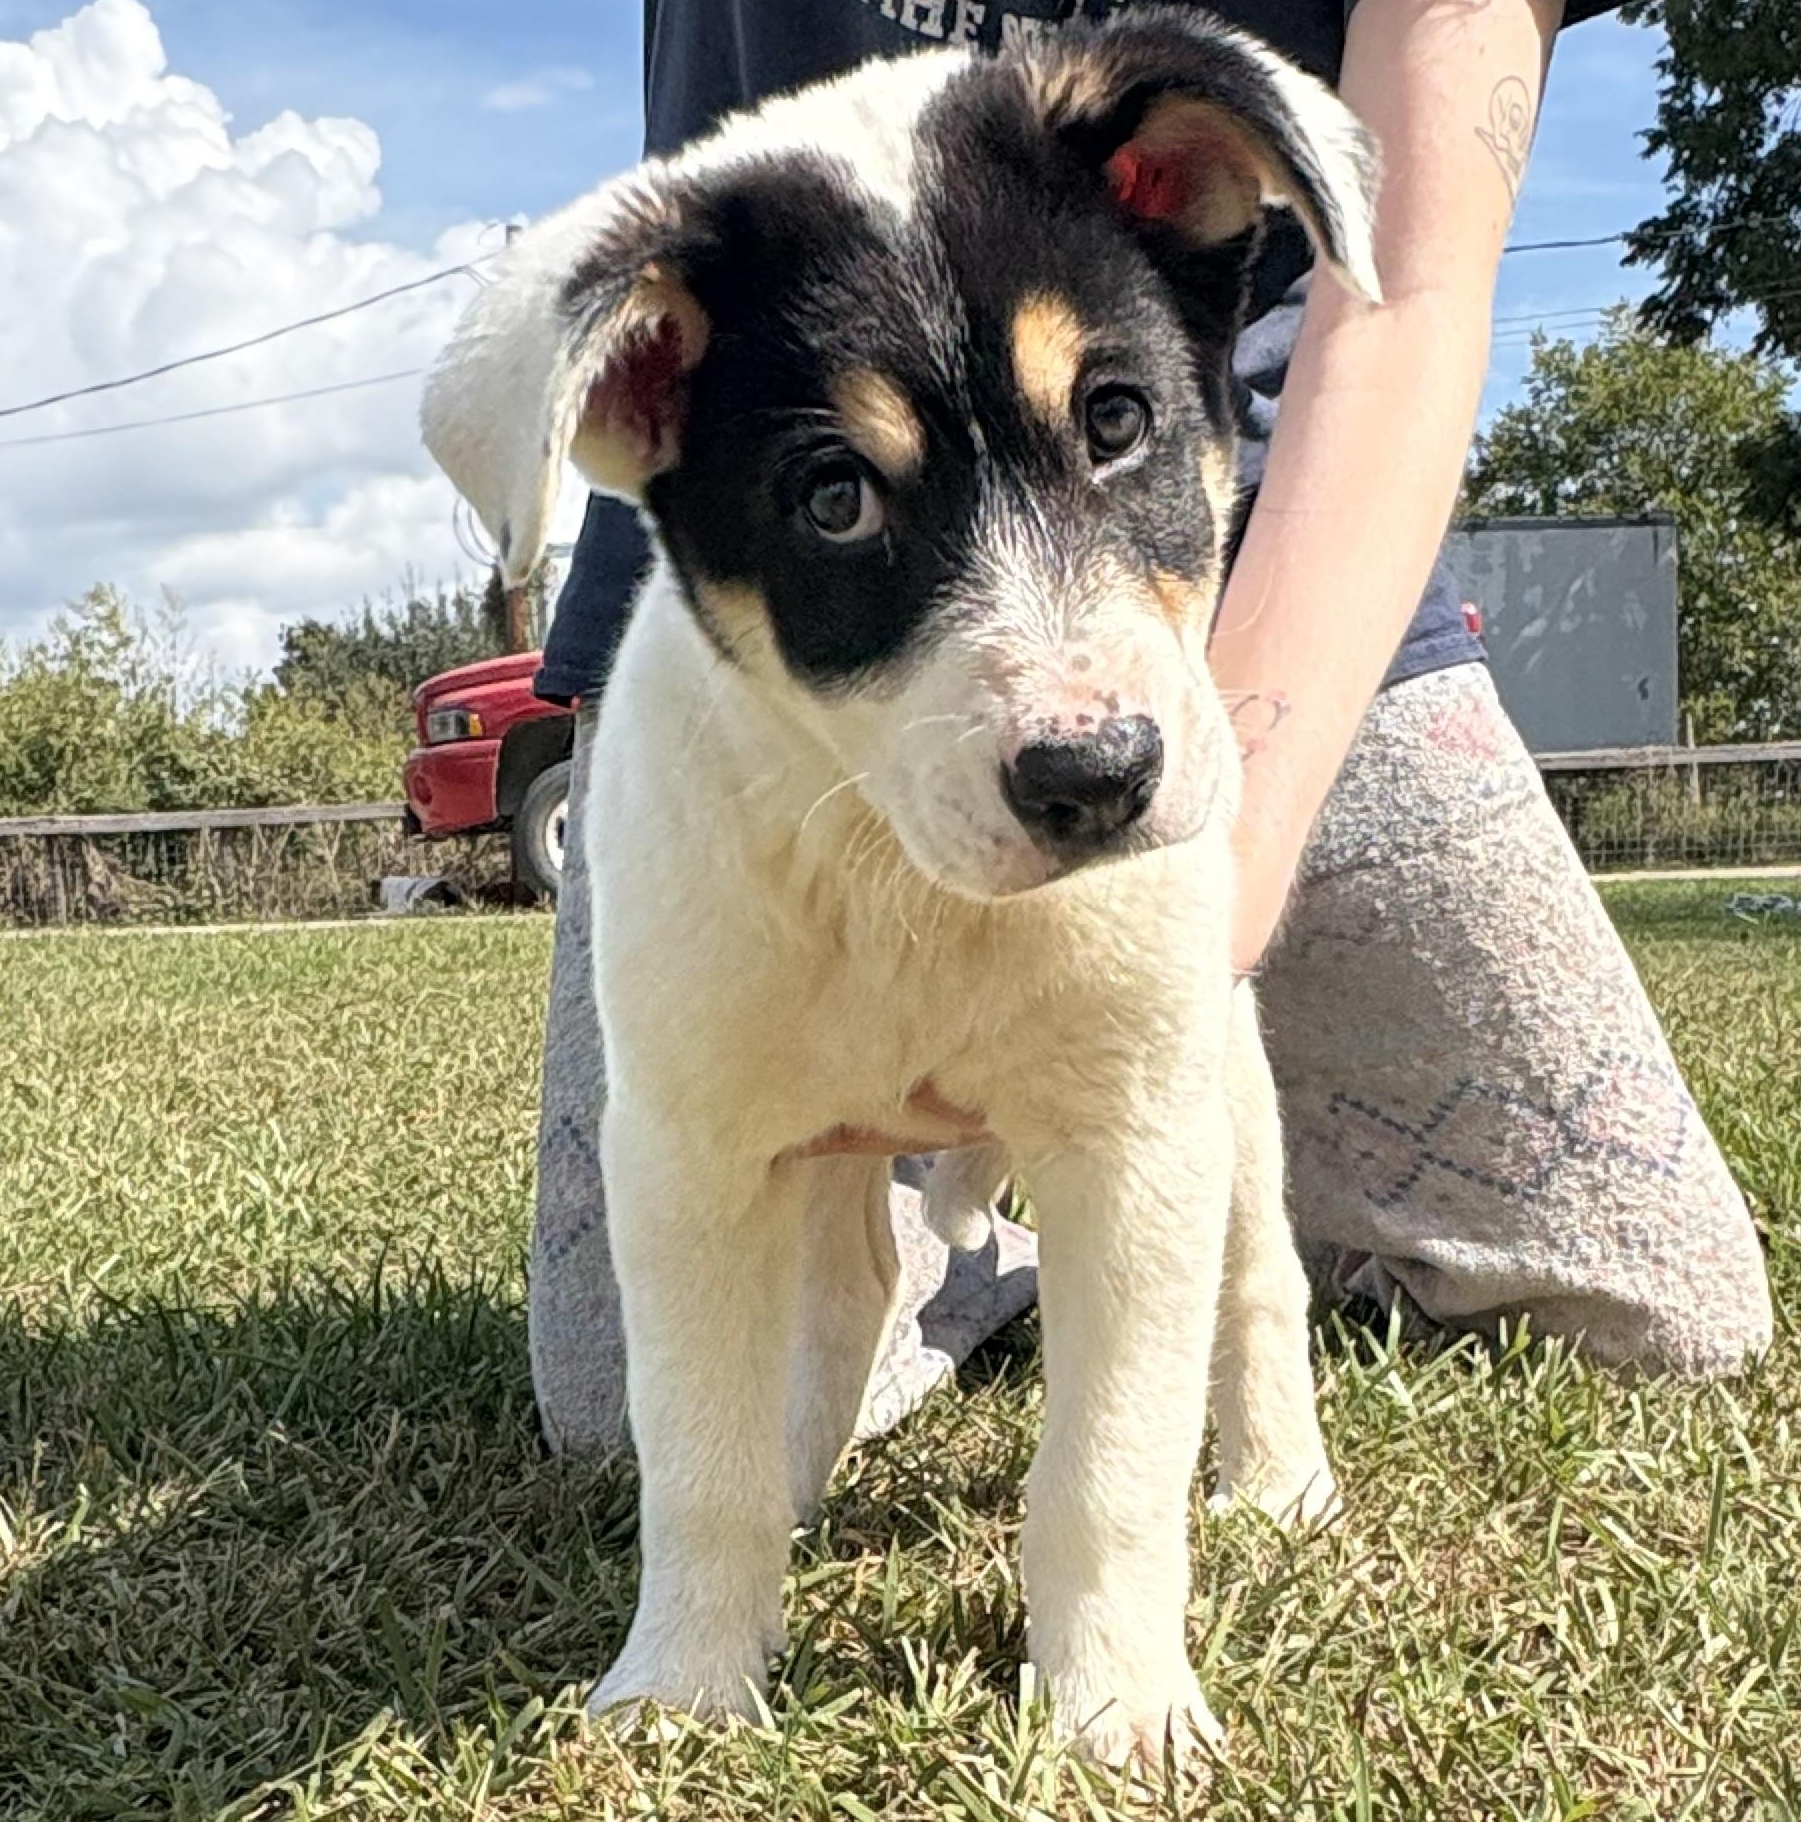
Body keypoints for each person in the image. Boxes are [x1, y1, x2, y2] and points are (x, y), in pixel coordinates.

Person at [525, 0, 1773, 1457]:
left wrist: (1202, 921)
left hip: (1262, 585)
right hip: (777, 651)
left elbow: (1408, 287)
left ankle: (1177, 1212)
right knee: (638, 1409)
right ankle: (949, 1234)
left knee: (1649, 1293)